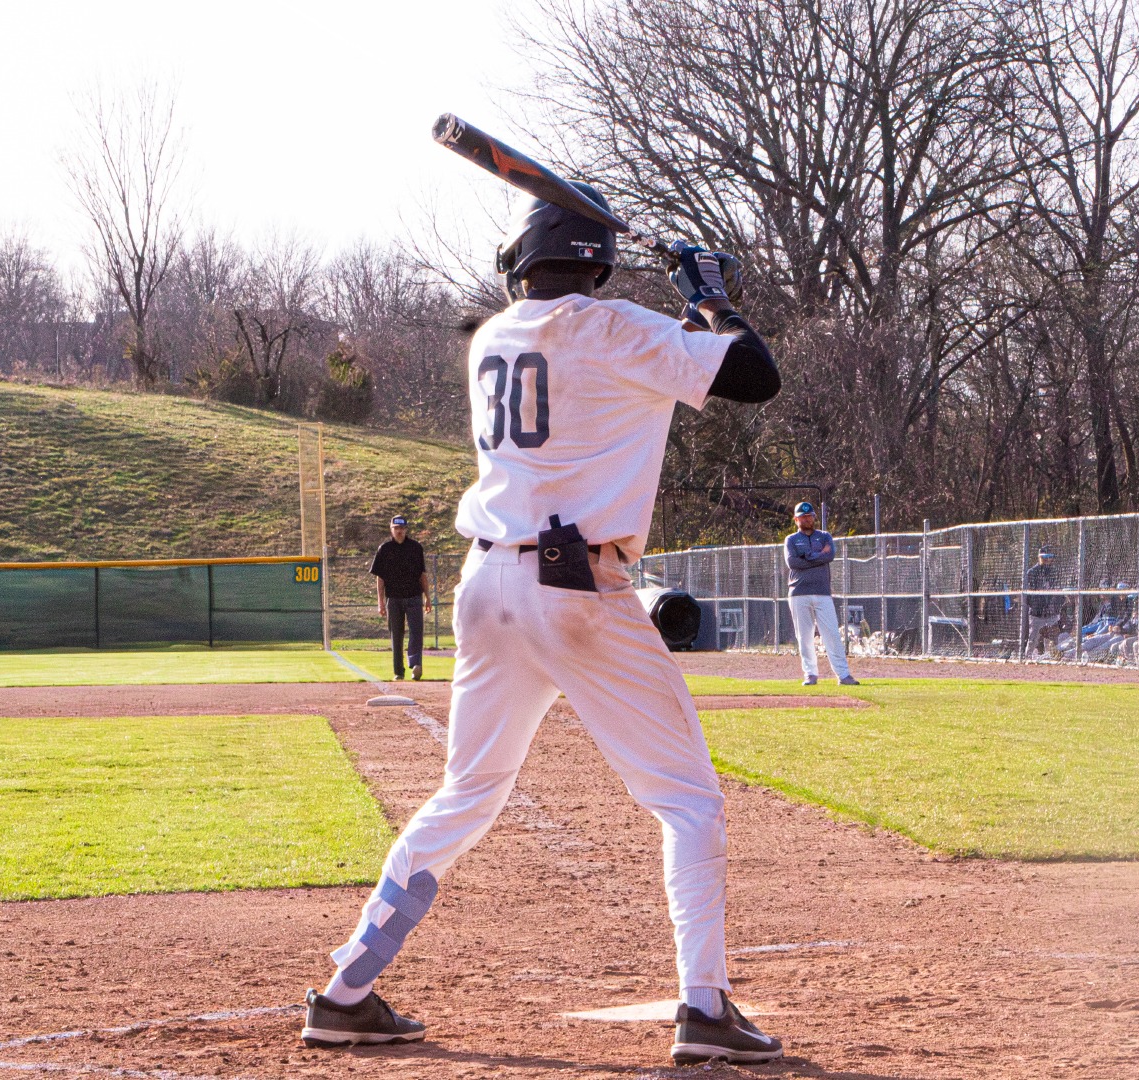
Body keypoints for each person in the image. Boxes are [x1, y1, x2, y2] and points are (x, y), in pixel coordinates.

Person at [301, 182, 786, 1065]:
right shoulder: (618, 330)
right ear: (598, 263)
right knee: (688, 801)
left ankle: (346, 989)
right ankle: (706, 1008)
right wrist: (709, 298)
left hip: (486, 585)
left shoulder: (493, 335)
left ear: (520, 260)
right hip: (578, 587)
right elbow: (756, 376)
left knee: (467, 793)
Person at [784, 503, 858, 687]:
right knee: (805, 636)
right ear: (796, 519)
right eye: (803, 516)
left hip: (822, 592)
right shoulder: (791, 539)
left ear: (814, 517)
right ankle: (810, 674)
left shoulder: (824, 536)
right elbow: (793, 562)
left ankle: (843, 675)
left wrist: (806, 556)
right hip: (799, 592)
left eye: (809, 516)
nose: (807, 519)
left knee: (832, 634)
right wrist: (817, 556)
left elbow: (829, 556)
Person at [370, 515, 434, 680]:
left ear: (406, 529)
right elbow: (380, 578)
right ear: (391, 529)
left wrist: (427, 597)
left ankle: (415, 664)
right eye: (396, 528)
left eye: (402, 528)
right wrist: (380, 602)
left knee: (416, 632)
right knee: (396, 635)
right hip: (394, 598)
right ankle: (399, 671)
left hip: (413, 596)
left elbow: (422, 575)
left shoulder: (415, 548)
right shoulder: (384, 549)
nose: (399, 531)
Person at [1022, 548, 1066, 658]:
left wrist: (1055, 607)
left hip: (1052, 612)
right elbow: (1027, 596)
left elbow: (1059, 591)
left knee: (1052, 639)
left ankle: (1049, 658)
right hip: (1037, 613)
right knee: (1033, 638)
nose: (1047, 560)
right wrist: (1036, 606)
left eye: (1049, 557)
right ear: (1039, 557)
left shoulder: (1054, 571)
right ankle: (1027, 658)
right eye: (1044, 557)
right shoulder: (1032, 572)